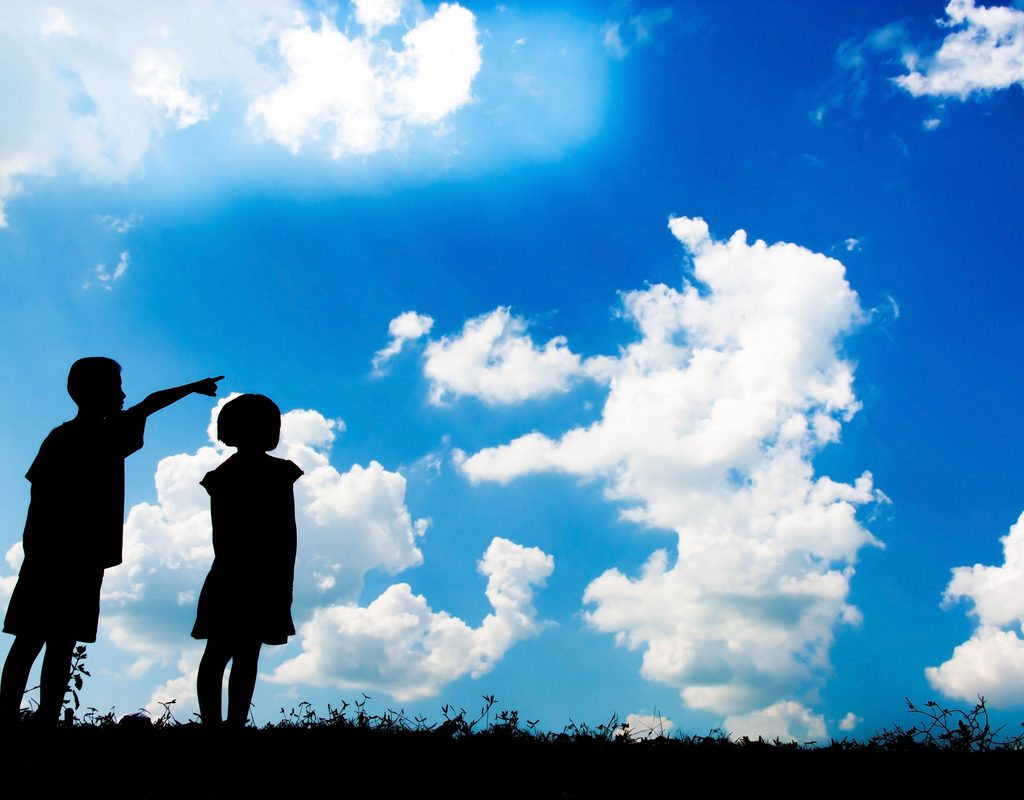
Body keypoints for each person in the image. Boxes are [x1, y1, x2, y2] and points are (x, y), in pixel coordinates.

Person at [0, 357, 222, 725]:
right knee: (56, 642)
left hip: (51, 554)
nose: (122, 394)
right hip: (78, 556)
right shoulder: (106, 434)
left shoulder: (62, 437)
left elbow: (37, 497)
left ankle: (17, 716)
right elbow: (149, 404)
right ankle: (44, 717)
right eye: (115, 387)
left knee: (33, 639)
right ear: (92, 392)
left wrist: (33, 546)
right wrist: (191, 388)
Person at [192, 393, 302, 728]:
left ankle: (220, 725)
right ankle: (226, 725)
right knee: (238, 654)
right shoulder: (277, 473)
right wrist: (282, 578)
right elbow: (285, 533)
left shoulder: (225, 475)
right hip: (256, 575)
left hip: (234, 573)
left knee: (227, 653)